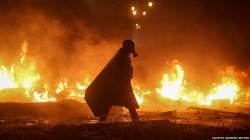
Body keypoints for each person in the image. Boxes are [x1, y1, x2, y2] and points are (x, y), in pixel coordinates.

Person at [85, 40, 139, 122]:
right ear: (128, 47)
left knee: (111, 102)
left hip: (121, 85)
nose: (133, 48)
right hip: (120, 85)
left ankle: (102, 121)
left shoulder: (123, 56)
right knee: (129, 103)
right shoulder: (121, 57)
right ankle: (136, 122)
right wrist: (119, 85)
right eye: (132, 47)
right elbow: (118, 72)